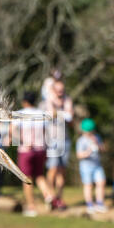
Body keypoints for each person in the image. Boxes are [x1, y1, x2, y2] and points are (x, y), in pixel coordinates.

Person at [14, 91, 55, 217]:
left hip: (26, 150)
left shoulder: (19, 114)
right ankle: (48, 196)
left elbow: (14, 132)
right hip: (40, 149)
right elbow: (46, 133)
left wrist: (22, 142)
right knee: (39, 175)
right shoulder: (41, 114)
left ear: (24, 102)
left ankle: (31, 206)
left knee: (26, 178)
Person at [43, 80, 73, 210]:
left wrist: (59, 112)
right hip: (52, 140)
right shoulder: (48, 100)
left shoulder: (67, 99)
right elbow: (50, 115)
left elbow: (70, 117)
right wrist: (62, 112)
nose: (61, 93)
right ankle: (51, 196)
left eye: (62, 90)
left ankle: (59, 198)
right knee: (53, 169)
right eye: (58, 90)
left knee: (62, 170)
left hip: (65, 139)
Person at [76, 118, 107, 214]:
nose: (89, 133)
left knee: (101, 182)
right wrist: (88, 152)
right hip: (86, 166)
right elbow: (79, 155)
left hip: (97, 165)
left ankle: (100, 203)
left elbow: (103, 149)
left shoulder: (97, 137)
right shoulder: (81, 141)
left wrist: (97, 143)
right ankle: (90, 204)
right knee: (88, 185)